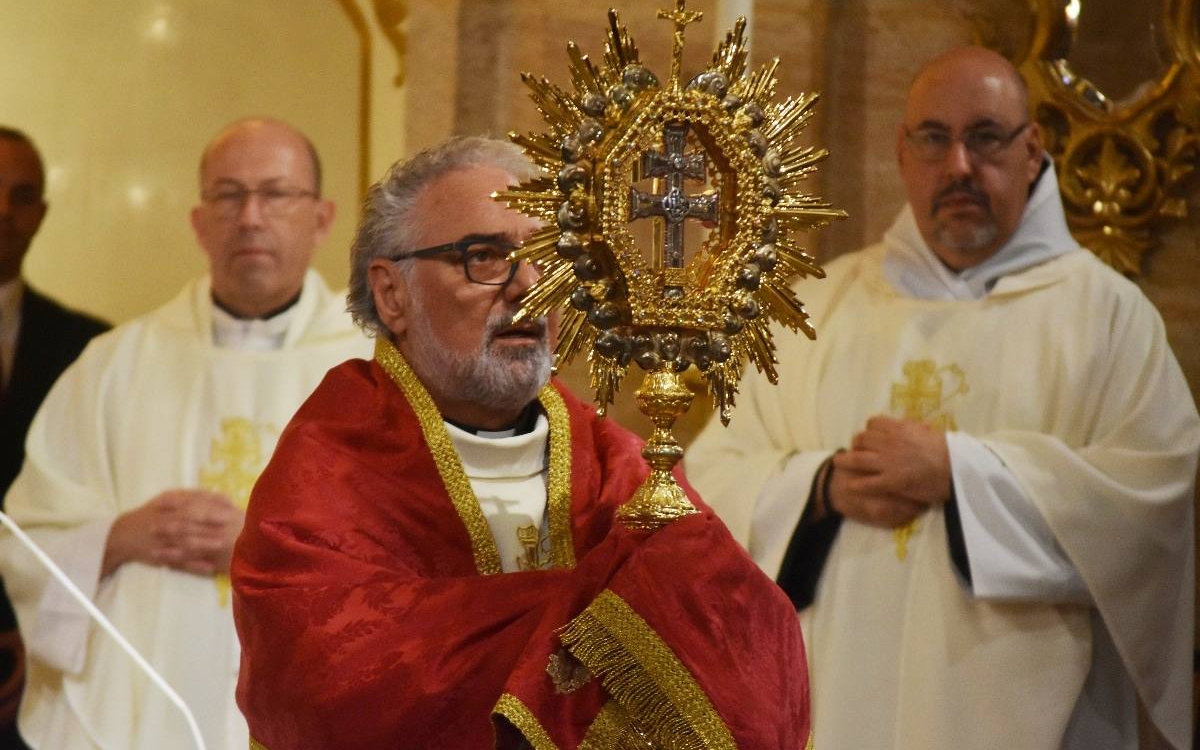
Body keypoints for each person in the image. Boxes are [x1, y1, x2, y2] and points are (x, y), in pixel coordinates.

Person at [687, 45, 1199, 750]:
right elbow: (708, 486)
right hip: (834, 713)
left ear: (1032, 151)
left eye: (986, 137)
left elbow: (1151, 501)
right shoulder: (816, 310)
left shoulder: (1109, 319)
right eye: (934, 138)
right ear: (902, 152)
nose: (959, 165)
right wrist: (822, 486)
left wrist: (960, 472)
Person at [231, 136, 811, 749]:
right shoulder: (329, 474)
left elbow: (755, 654)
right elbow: (326, 687)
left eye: (547, 255)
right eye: (483, 256)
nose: (529, 288)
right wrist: (608, 612)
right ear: (391, 293)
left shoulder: (624, 470)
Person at [0, 117, 372, 749]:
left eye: (276, 193)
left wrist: (267, 551)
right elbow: (26, 538)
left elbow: (425, 557)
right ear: (200, 222)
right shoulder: (113, 366)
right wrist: (114, 538)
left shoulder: (377, 375)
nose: (250, 216)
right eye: (228, 195)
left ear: (323, 218)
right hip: (144, 712)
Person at [0, 127, 109, 748]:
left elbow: (91, 501)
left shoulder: (91, 349)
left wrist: (32, 623)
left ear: (41, 214)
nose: (3, 212)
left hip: (41, 637)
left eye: (23, 195)